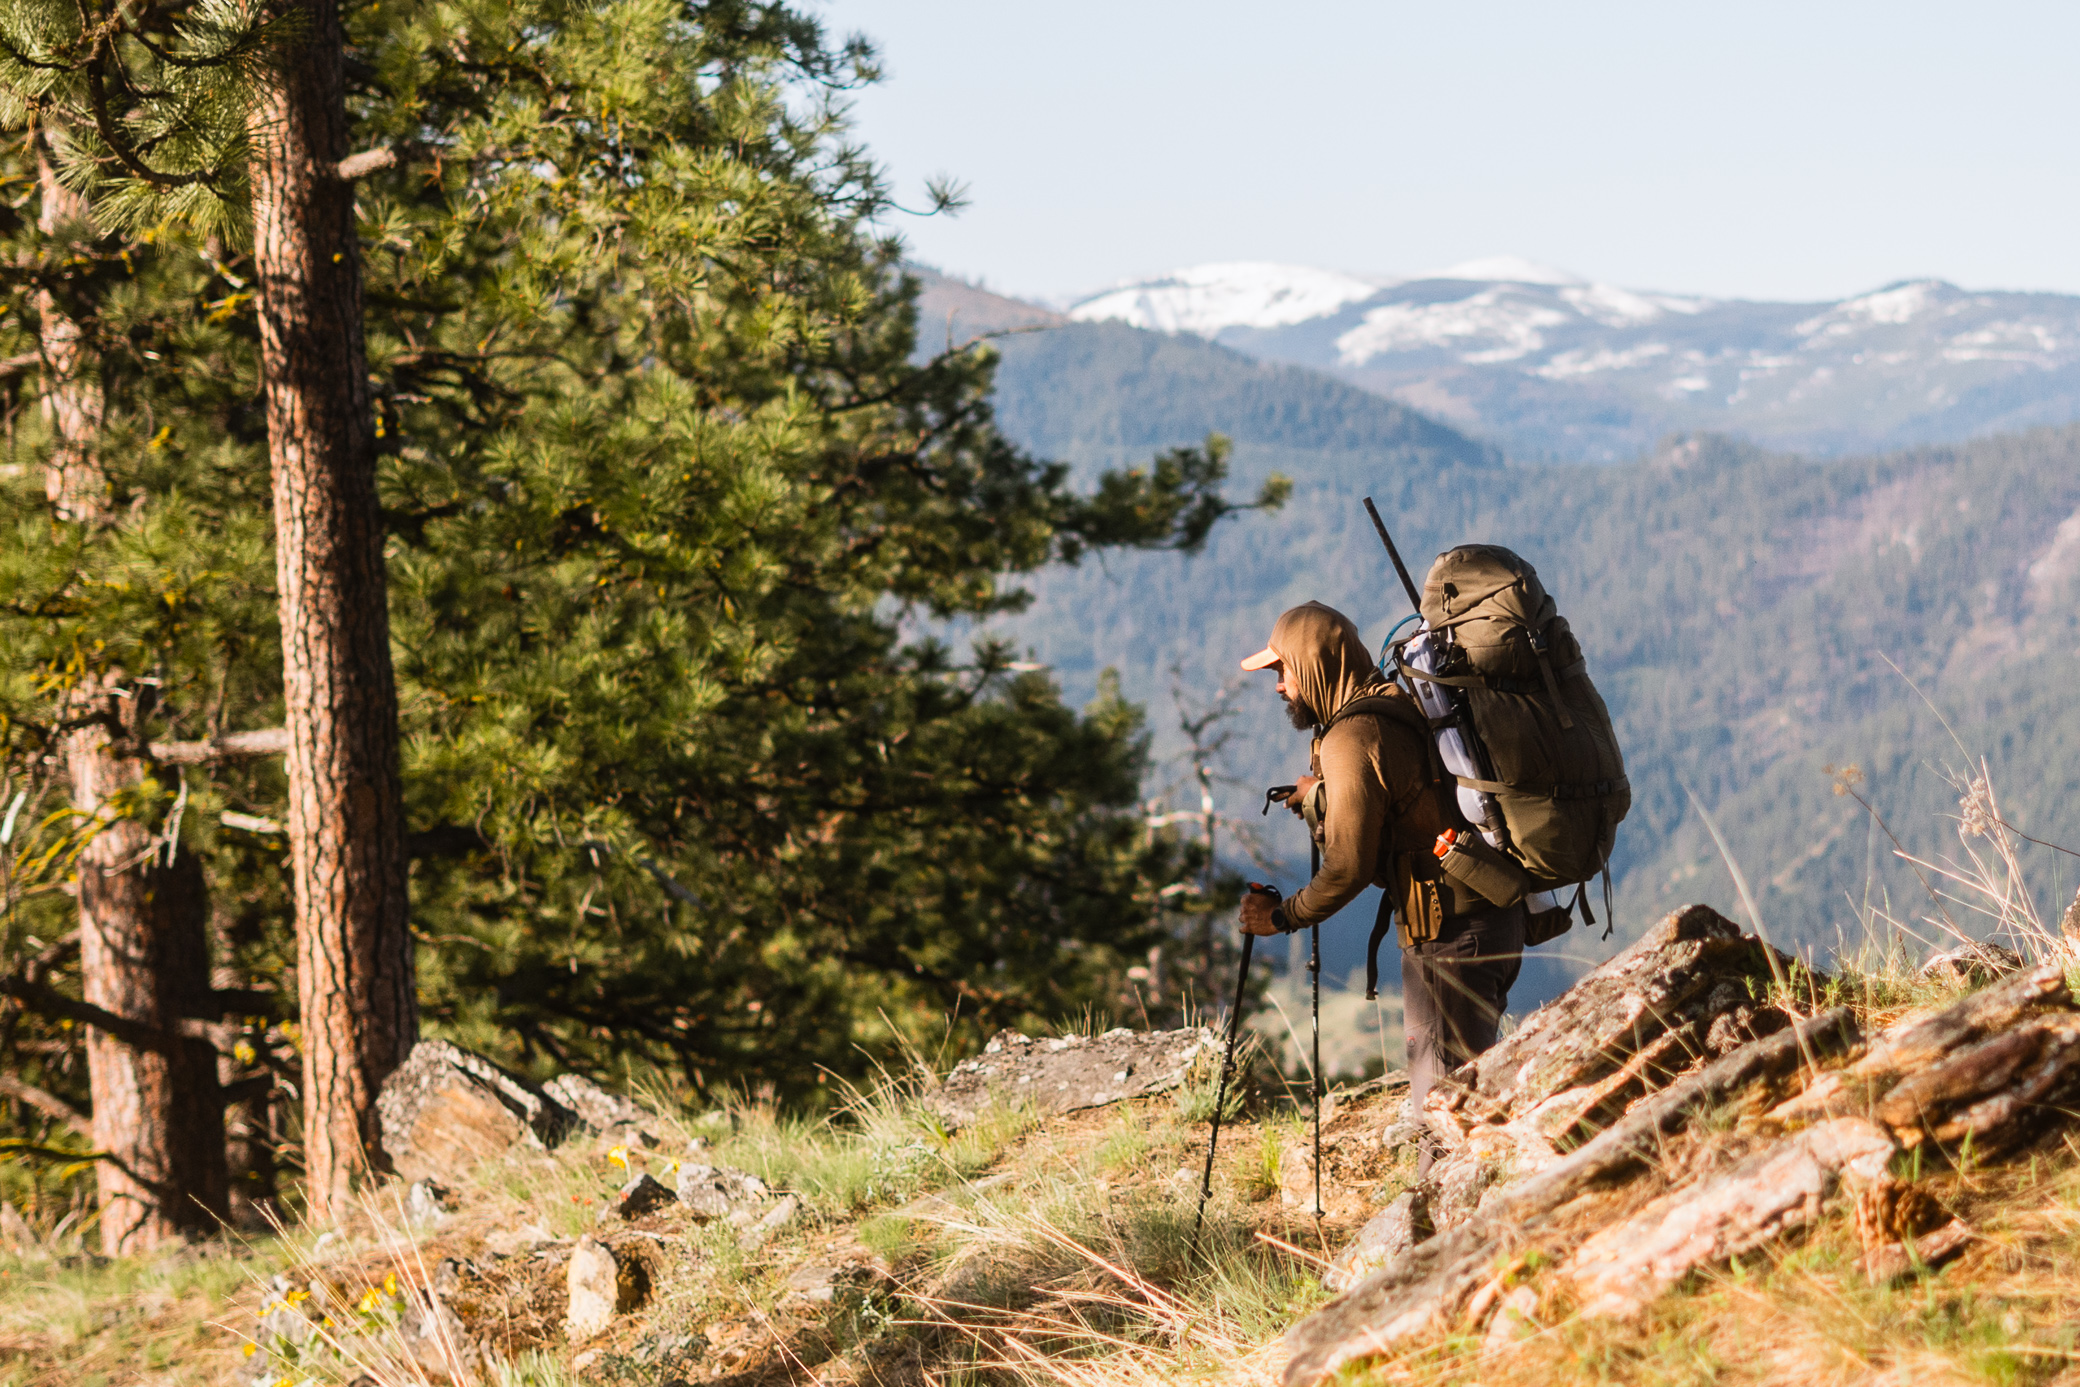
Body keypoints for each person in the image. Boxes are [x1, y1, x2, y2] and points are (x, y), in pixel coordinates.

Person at [1235, 601, 1524, 1174]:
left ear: (1315, 664)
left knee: (1443, 1116)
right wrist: (1322, 798)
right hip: (1487, 919)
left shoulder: (1352, 738)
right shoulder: (1393, 704)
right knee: (1468, 1094)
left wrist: (1281, 917)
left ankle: (1441, 1246)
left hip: (1450, 937)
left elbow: (1345, 869)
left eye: (1282, 669)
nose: (1278, 685)